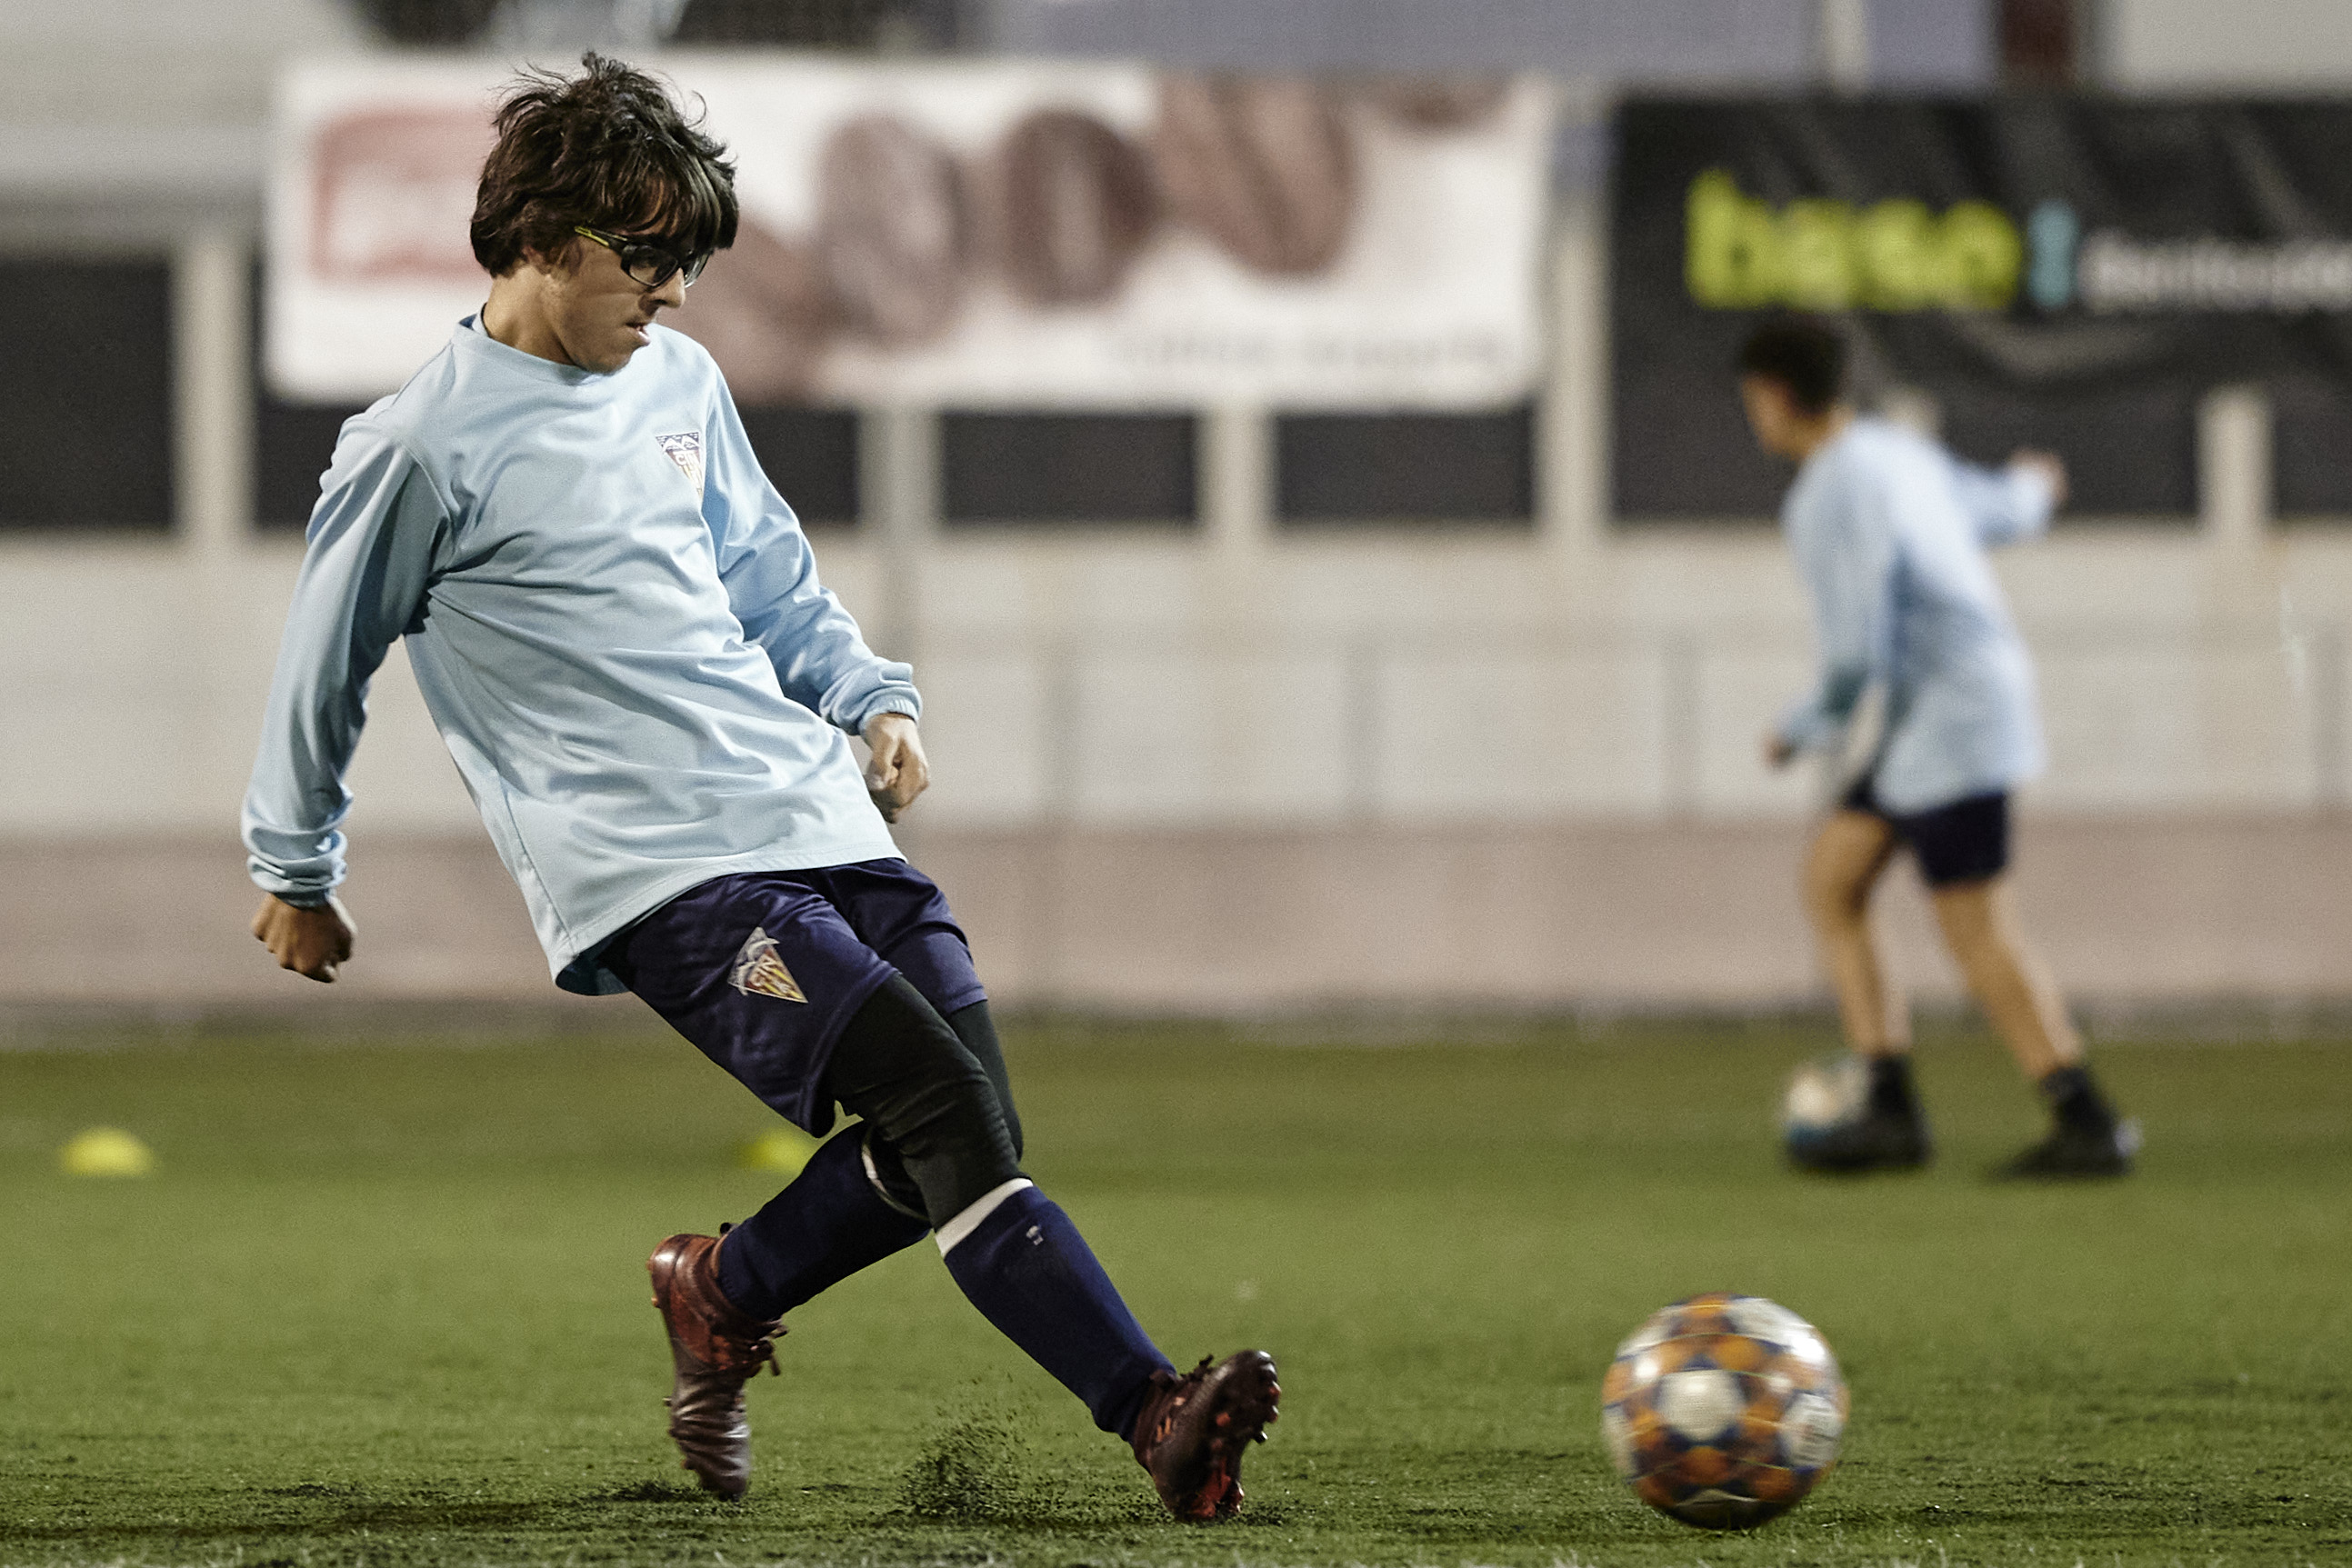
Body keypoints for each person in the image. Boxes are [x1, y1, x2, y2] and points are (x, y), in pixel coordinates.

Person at [242, 54, 1277, 1515]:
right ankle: (1150, 1409)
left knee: (965, 1125)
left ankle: (723, 1285)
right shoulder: (418, 447)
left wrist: (870, 694)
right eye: (646, 257)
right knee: (937, 1103)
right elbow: (321, 663)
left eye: (687, 262)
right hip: (660, 871)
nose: (672, 292)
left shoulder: (677, 382)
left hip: (814, 812)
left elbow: (767, 576)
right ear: (542, 237)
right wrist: (294, 868)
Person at [1737, 315, 2137, 1179]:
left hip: (1952, 721)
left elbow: (1854, 655)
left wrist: (1798, 728)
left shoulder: (1826, 494)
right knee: (1833, 878)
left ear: (1772, 397)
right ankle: (1889, 1105)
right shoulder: (1893, 452)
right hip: (1937, 717)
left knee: (1976, 928)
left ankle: (2085, 1119)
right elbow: (1994, 509)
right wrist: (2034, 488)